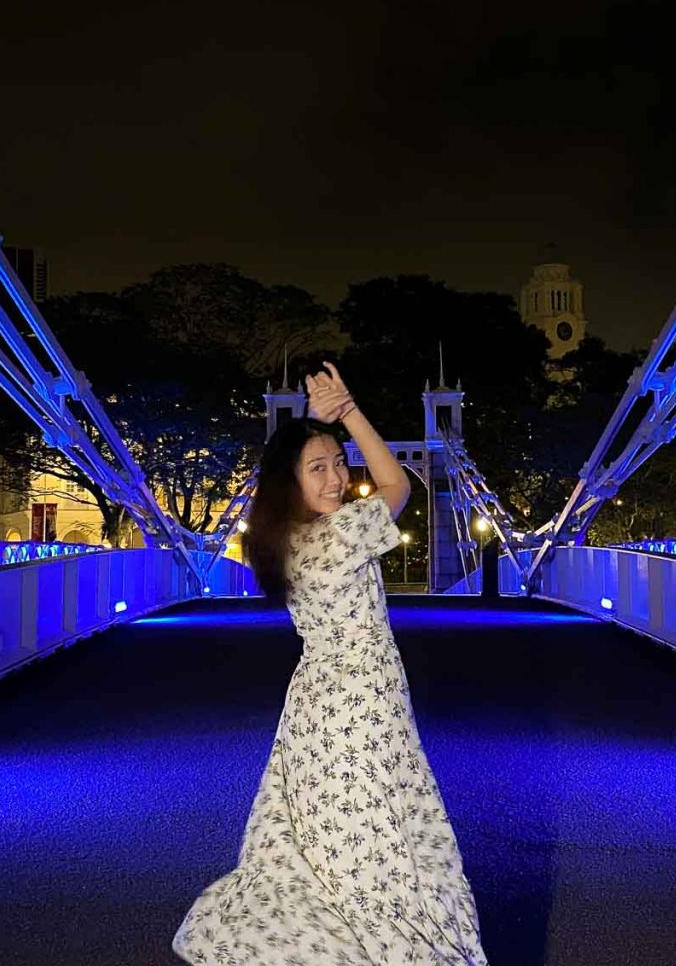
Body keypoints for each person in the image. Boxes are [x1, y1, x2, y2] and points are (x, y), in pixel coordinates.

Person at [172, 362, 488, 965]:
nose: (339, 478)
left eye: (339, 463)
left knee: (324, 835)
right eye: (318, 468)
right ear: (289, 480)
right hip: (362, 704)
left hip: (316, 701)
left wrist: (314, 430)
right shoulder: (339, 537)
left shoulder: (284, 540)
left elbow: (349, 484)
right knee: (382, 827)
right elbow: (397, 487)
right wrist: (348, 414)